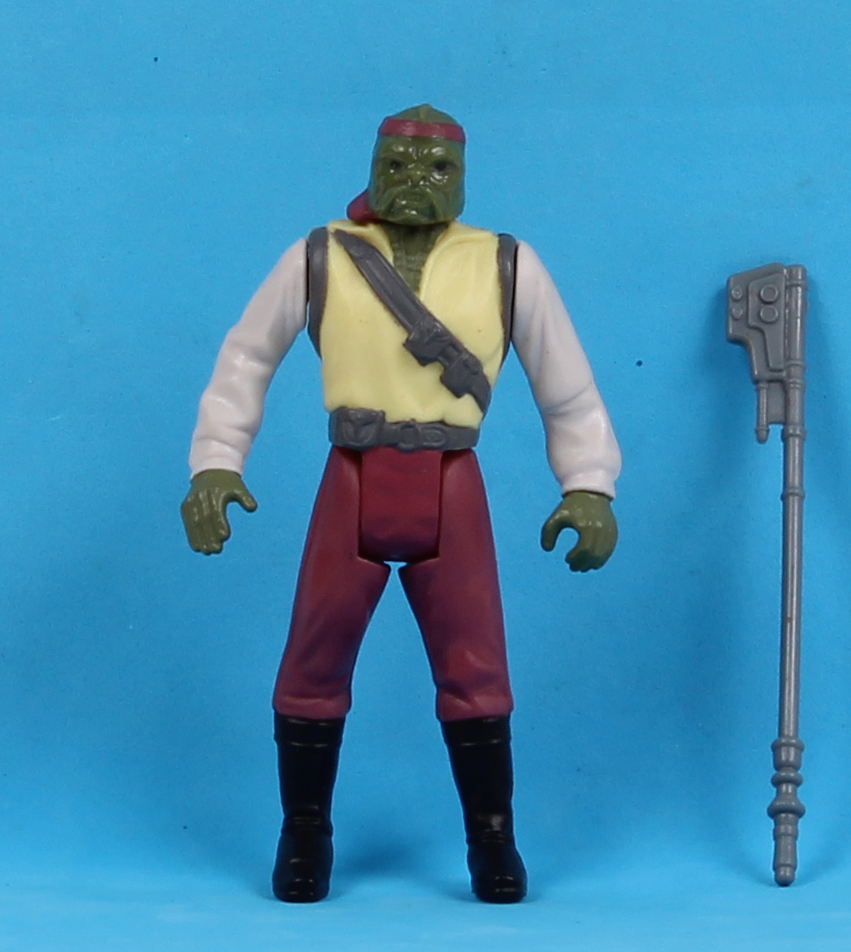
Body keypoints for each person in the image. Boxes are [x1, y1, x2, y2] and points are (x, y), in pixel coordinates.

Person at [180, 104, 621, 904]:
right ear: (372, 170)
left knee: (476, 666)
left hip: (451, 483)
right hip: (351, 477)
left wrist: (588, 483)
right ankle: (304, 830)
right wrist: (215, 462)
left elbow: (568, 390)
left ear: (464, 176)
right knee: (311, 663)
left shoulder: (506, 264)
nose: (417, 180)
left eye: (438, 167)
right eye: (398, 165)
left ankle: (492, 836)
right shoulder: (322, 255)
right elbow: (246, 356)